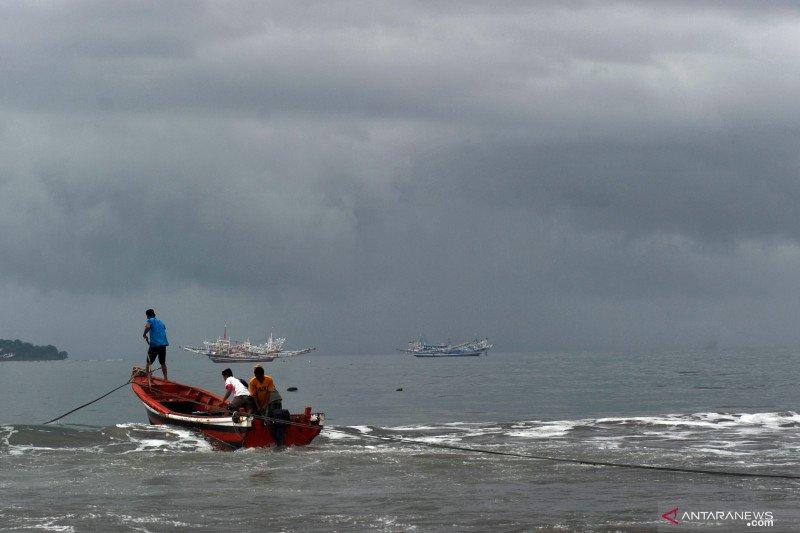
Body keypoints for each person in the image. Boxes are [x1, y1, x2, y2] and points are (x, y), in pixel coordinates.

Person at [143, 308, 169, 385]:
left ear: (147, 315)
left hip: (154, 345)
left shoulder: (150, 320)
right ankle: (166, 379)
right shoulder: (160, 322)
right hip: (163, 344)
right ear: (154, 314)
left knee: (149, 362)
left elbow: (148, 327)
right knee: (162, 363)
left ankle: (148, 378)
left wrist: (144, 334)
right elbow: (163, 328)